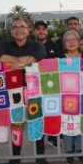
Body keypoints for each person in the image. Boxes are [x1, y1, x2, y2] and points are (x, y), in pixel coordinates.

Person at [0, 17, 48, 164]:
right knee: (16, 124)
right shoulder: (5, 44)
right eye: (15, 27)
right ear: (11, 31)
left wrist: (24, 62)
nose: (19, 29)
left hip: (33, 89)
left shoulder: (35, 44)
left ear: (28, 30)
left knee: (36, 121)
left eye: (22, 27)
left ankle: (40, 156)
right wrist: (17, 60)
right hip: (13, 91)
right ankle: (15, 157)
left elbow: (41, 53)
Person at [34, 20, 61, 148]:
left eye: (43, 29)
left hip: (52, 87)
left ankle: (53, 137)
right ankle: (40, 148)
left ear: (47, 31)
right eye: (38, 29)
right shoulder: (29, 46)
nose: (41, 31)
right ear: (34, 31)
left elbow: (61, 62)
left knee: (52, 114)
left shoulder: (55, 46)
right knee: (38, 116)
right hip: (35, 88)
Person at [61, 30, 83, 164]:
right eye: (67, 40)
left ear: (78, 41)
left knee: (80, 122)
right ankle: (69, 150)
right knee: (67, 122)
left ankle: (80, 149)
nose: (71, 42)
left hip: (82, 94)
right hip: (65, 95)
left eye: (73, 39)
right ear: (64, 43)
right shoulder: (60, 58)